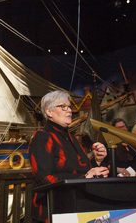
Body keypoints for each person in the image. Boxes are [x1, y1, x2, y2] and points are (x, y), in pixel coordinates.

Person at [29, 90, 109, 222]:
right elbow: (43, 177)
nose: (70, 110)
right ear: (49, 112)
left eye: (69, 106)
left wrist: (97, 161)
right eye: (63, 107)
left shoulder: (71, 138)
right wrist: (84, 177)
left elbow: (85, 171)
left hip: (79, 206)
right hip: (53, 210)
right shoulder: (43, 136)